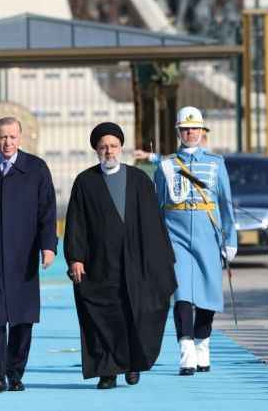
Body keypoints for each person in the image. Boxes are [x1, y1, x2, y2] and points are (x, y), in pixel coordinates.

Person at [63, 122, 178, 389]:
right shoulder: (85, 182)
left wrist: (161, 262)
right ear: (96, 150)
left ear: (121, 148)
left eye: (113, 146)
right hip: (100, 264)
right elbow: (76, 223)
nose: (109, 151)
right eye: (103, 147)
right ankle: (108, 371)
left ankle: (133, 363)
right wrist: (76, 258)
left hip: (137, 263)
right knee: (104, 317)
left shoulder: (139, 181)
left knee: (136, 313)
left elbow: (154, 225)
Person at [0, 117, 57, 393]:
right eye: (3, 137)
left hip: (23, 255)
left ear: (21, 137)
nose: (8, 142)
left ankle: (16, 372)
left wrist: (48, 246)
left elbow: (47, 211)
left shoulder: (37, 168)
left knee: (22, 315)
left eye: (13, 137)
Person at [152, 106, 237, 376]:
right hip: (174, 235)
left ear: (202, 131)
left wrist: (230, 238)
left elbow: (226, 204)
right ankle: (186, 349)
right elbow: (157, 205)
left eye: (195, 128)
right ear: (179, 131)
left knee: (208, 294)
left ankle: (203, 342)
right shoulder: (166, 165)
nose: (191, 133)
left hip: (207, 235)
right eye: (186, 129)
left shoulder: (215, 163)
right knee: (182, 294)